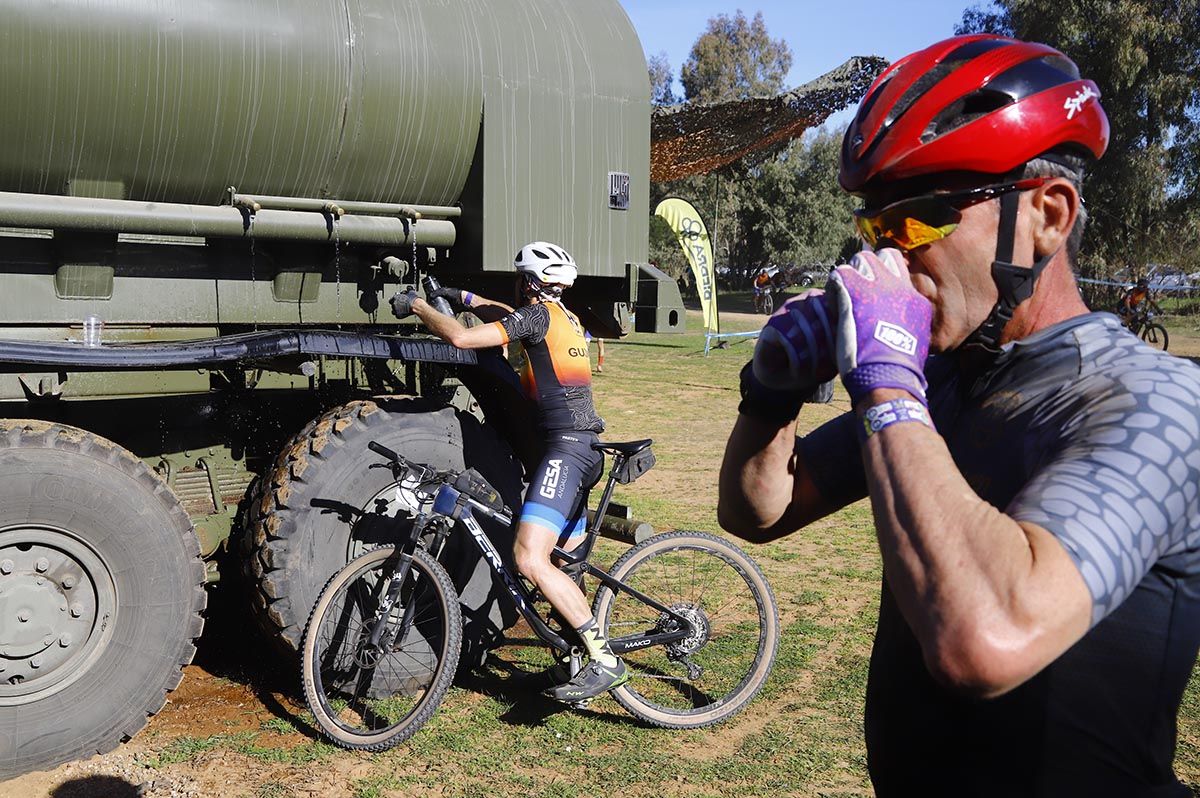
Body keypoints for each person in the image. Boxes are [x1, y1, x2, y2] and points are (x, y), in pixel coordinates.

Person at [718, 33, 1200, 797]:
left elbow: (987, 637)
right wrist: (772, 393)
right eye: (876, 231)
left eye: (918, 223)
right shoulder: (943, 383)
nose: (889, 259)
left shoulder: (1152, 403)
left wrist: (886, 385)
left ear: (1047, 215)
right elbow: (759, 510)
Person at [391, 241, 628, 701]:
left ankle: (604, 661)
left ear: (531, 283)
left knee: (529, 558)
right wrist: (463, 299)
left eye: (521, 278)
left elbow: (461, 339)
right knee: (563, 563)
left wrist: (420, 306)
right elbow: (497, 311)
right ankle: (574, 662)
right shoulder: (566, 318)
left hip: (566, 452)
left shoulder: (537, 317)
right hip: (584, 450)